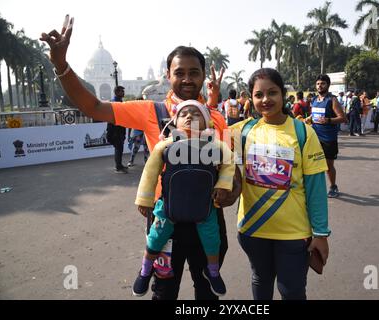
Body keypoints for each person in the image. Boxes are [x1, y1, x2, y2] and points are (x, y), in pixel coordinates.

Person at [40, 15, 242, 300]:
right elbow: (94, 106)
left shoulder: (218, 119)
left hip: (207, 218)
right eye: (179, 72)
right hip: (165, 220)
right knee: (164, 292)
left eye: (194, 72)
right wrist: (61, 65)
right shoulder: (153, 111)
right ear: (168, 75)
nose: (186, 79)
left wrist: (233, 191)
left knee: (207, 292)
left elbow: (233, 168)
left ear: (203, 76)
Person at [230, 68, 330, 300]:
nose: (265, 100)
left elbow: (316, 187)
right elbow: (199, 132)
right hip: (253, 230)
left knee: (292, 291)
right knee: (260, 280)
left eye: (272, 92)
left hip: (294, 233)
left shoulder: (303, 133)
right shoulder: (239, 132)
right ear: (251, 98)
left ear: (283, 94)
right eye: (258, 95)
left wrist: (321, 233)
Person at [132, 100, 235, 297]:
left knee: (213, 240)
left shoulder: (216, 145)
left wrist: (223, 186)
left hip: (205, 208)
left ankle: (212, 272)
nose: (189, 117)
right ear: (175, 121)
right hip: (168, 208)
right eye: (184, 114)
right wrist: (144, 200)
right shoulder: (165, 145)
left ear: (206, 123)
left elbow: (229, 164)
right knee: (155, 238)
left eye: (196, 115)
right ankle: (145, 270)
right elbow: (150, 172)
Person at [307, 75, 347, 198]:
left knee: (328, 166)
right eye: (318, 84)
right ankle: (315, 188)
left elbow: (343, 118)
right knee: (313, 164)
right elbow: (313, 115)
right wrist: (309, 119)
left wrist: (328, 120)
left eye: (322, 83)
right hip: (315, 137)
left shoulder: (332, 100)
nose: (320, 86)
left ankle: (333, 186)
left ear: (328, 85)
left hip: (328, 139)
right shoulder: (314, 100)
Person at [106, 85, 128, 173]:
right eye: (122, 91)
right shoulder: (114, 102)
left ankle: (119, 165)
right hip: (115, 129)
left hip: (119, 128)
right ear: (117, 92)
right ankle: (118, 167)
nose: (123, 93)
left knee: (119, 148)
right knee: (118, 148)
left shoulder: (118, 101)